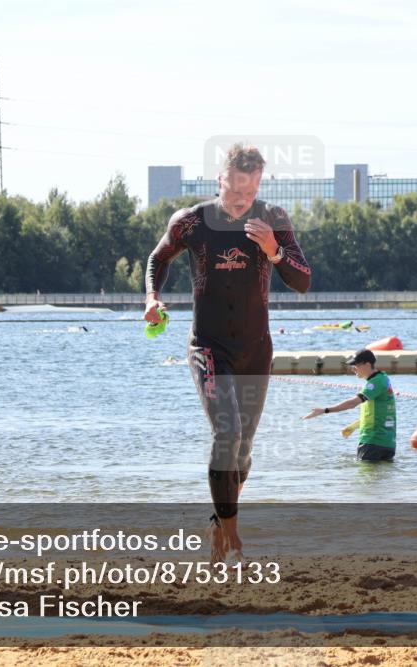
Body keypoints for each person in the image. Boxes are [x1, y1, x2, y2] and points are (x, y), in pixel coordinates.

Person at [144, 143, 312, 564]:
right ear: (220, 180)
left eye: (250, 192)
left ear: (259, 184)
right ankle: (234, 544)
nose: (241, 201)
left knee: (243, 452)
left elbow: (303, 281)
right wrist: (152, 297)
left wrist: (274, 251)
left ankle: (219, 525)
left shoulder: (273, 219)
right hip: (208, 346)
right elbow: (157, 259)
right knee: (228, 434)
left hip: (255, 350)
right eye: (235, 191)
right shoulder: (192, 222)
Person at [302, 349, 397, 461]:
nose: (353, 368)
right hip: (388, 443)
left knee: (365, 472)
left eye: (356, 365)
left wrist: (324, 410)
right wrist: (353, 427)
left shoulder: (375, 382)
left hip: (372, 442)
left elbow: (352, 403)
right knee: (382, 472)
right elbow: (377, 414)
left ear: (367, 364)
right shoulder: (383, 378)